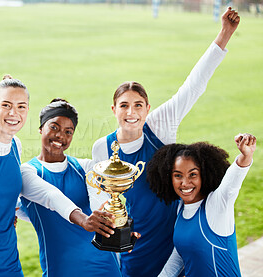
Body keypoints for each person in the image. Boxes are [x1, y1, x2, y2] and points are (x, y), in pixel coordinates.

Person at [91, 7, 240, 277]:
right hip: (134, 246)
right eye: (124, 105)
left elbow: (193, 86)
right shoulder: (102, 148)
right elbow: (102, 198)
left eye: (138, 105)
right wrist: (112, 223)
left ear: (148, 108)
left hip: (174, 243)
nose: (131, 113)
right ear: (113, 109)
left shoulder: (159, 125)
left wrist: (224, 35)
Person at [0, 76, 96, 277]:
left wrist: (14, 209)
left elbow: (6, 193)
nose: (14, 113)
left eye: (21, 106)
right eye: (6, 105)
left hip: (8, 257)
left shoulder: (15, 146)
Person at [19, 98, 136, 277]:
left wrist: (118, 231)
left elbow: (100, 203)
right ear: (41, 128)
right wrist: (84, 220)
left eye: (68, 131)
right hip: (62, 269)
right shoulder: (28, 172)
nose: (60, 136)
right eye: (54, 127)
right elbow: (51, 196)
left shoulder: (86, 168)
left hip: (105, 266)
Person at [147, 133, 256, 276]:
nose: (185, 183)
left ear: (203, 174)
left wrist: (245, 156)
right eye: (178, 175)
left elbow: (231, 186)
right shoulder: (181, 208)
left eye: (192, 174)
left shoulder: (216, 205)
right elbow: (179, 256)